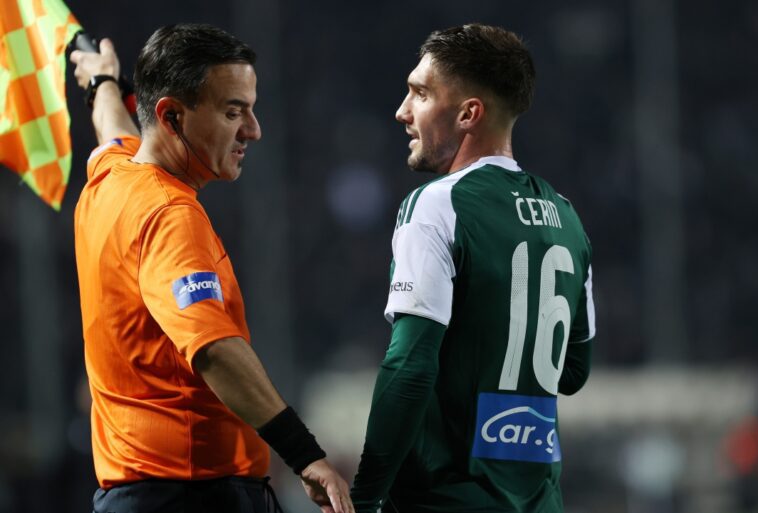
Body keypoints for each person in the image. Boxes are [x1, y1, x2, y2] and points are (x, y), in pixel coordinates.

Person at [69, 24, 353, 513]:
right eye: (232, 112)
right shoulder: (169, 216)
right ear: (171, 116)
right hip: (189, 495)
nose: (253, 130)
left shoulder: (111, 174)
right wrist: (304, 455)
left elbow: (113, 127)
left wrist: (103, 82)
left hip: (136, 494)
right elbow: (215, 350)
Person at [350, 24, 596, 512]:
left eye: (420, 93)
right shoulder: (567, 216)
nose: (402, 111)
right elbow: (572, 372)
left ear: (468, 114)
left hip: (448, 498)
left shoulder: (437, 204)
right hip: (540, 500)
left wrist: (365, 496)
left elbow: (410, 365)